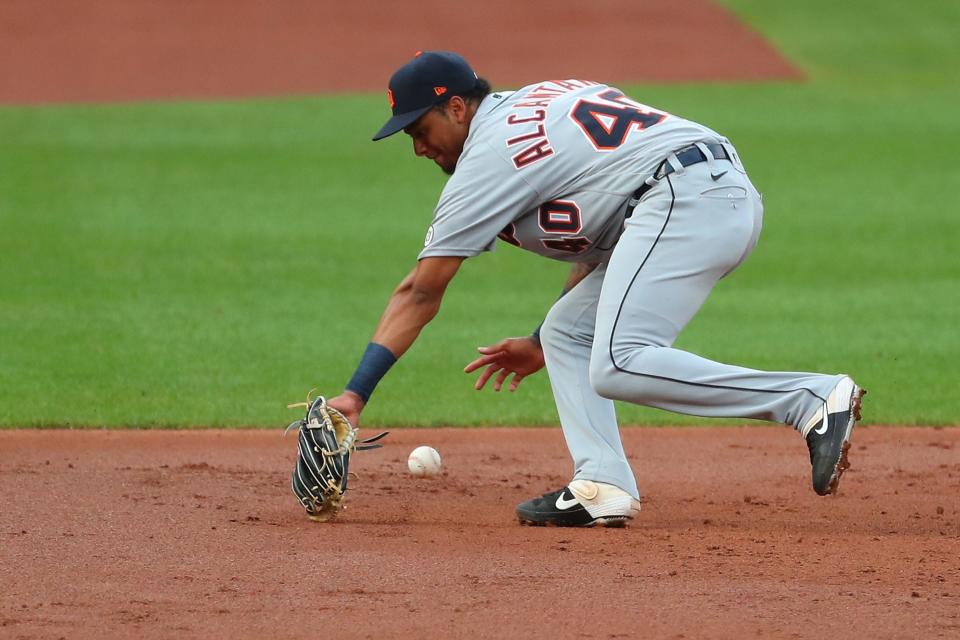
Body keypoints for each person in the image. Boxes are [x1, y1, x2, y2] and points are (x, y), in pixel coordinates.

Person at [326, 51, 865, 527]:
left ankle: (808, 399)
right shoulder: (537, 101)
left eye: (420, 130)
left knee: (617, 362)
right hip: (709, 194)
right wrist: (538, 340)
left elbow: (421, 292)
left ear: (458, 109)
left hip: (684, 198)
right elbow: (603, 232)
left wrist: (357, 392)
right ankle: (603, 483)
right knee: (566, 332)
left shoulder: (488, 157)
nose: (417, 148)